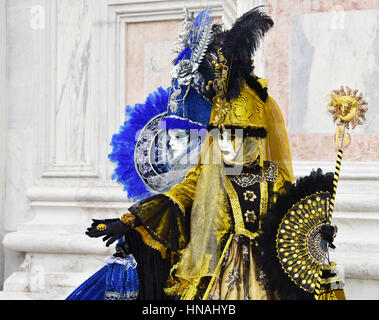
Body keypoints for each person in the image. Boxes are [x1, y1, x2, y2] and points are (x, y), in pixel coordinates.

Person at [85, 6, 345, 300]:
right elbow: (183, 192)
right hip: (212, 275)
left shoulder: (275, 185)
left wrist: (316, 233)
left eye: (243, 134)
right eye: (225, 134)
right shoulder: (213, 170)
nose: (231, 145)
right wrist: (131, 221)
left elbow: (296, 235)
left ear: (259, 133)